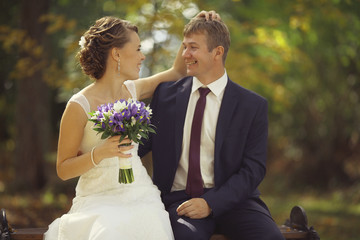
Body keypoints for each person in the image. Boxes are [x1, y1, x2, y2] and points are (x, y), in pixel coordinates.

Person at [44, 15, 192, 240]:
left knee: (151, 228)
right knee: (110, 233)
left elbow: (177, 72)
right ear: (116, 54)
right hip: (97, 199)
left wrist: (191, 31)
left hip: (140, 195)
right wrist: (100, 153)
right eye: (138, 49)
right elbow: (63, 169)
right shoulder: (79, 105)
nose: (142, 56)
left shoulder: (133, 91)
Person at [139, 13, 285, 240]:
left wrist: (210, 203)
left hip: (236, 202)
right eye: (184, 46)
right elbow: (139, 146)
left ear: (218, 52)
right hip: (179, 203)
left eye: (193, 48)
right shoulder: (165, 96)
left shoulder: (252, 105)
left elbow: (253, 169)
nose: (185, 55)